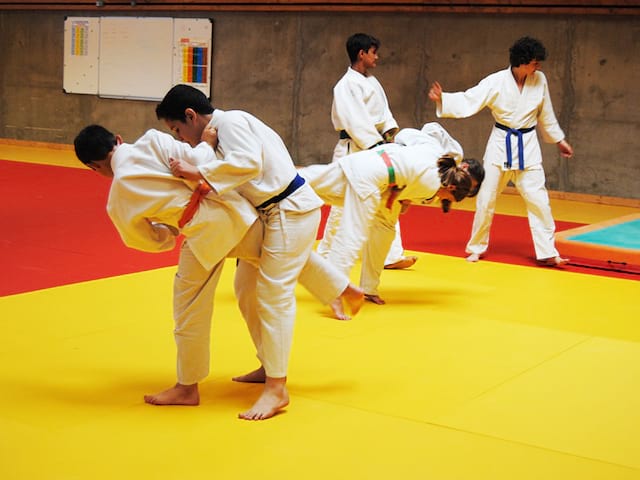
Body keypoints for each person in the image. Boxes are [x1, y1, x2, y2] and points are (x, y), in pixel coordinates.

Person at [73, 124, 361, 421]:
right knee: (273, 255)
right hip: (234, 210)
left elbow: (143, 239)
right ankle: (338, 288)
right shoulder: (153, 141)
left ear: (95, 167)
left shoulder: (119, 197)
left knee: (189, 306)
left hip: (201, 231)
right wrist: (207, 144)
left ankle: (187, 387)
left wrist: (168, 231)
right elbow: (197, 161)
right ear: (118, 140)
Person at [156, 84, 337, 420]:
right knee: (245, 289)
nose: (180, 138)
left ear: (191, 116)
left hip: (289, 210)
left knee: (273, 293)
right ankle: (270, 362)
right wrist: (204, 160)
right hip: (270, 213)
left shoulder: (232, 122)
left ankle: (277, 388)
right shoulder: (217, 135)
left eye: (177, 129)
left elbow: (249, 164)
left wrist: (199, 170)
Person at [428, 36, 574, 266]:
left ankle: (547, 251)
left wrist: (558, 140)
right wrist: (443, 100)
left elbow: (546, 112)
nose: (539, 66)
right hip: (500, 145)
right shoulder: (496, 81)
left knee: (539, 200)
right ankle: (476, 247)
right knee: (485, 199)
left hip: (527, 145)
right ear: (522, 61)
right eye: (535, 62)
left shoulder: (540, 80)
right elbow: (471, 98)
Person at [298, 123, 482, 305]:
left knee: (306, 181)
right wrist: (404, 193)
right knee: (354, 231)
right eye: (447, 197)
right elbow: (402, 201)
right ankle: (332, 289)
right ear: (450, 187)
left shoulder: (434, 151)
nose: (442, 199)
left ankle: (368, 288)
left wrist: (402, 157)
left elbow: (406, 135)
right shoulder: (431, 186)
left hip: (365, 161)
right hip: (373, 180)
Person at [321, 32, 417, 272]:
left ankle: (391, 254)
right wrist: (377, 147)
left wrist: (389, 134)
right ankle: (324, 255)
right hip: (354, 149)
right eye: (373, 52)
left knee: (386, 199)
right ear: (361, 53)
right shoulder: (345, 85)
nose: (377, 57)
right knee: (342, 204)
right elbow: (356, 122)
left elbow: (384, 114)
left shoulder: (372, 82)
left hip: (374, 147)